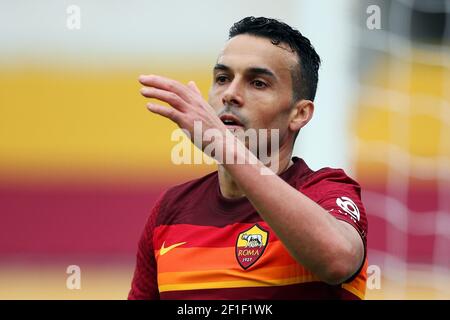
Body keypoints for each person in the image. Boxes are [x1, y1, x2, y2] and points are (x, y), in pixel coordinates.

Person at [129, 16, 368, 300]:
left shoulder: (325, 191)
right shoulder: (171, 209)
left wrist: (225, 147)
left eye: (257, 83)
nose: (230, 94)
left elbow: (338, 259)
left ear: (299, 114)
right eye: (222, 79)